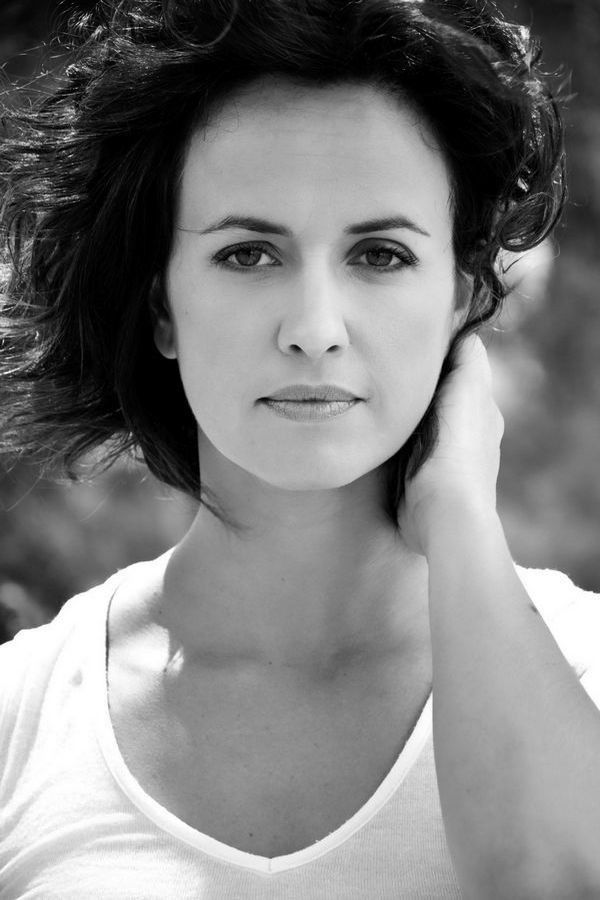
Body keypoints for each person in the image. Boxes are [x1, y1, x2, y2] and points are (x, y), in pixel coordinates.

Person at [1, 0, 599, 897]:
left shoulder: (586, 667)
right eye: (249, 254)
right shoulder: (23, 718)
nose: (315, 328)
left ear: (460, 298)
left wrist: (460, 518)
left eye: (381, 255)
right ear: (162, 306)